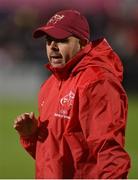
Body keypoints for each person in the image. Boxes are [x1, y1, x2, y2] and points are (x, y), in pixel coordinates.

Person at [13, 9, 131, 179]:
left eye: (61, 40)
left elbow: (108, 151)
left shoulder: (96, 82)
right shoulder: (49, 85)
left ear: (83, 43)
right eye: (48, 40)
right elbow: (54, 159)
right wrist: (31, 136)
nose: (52, 46)